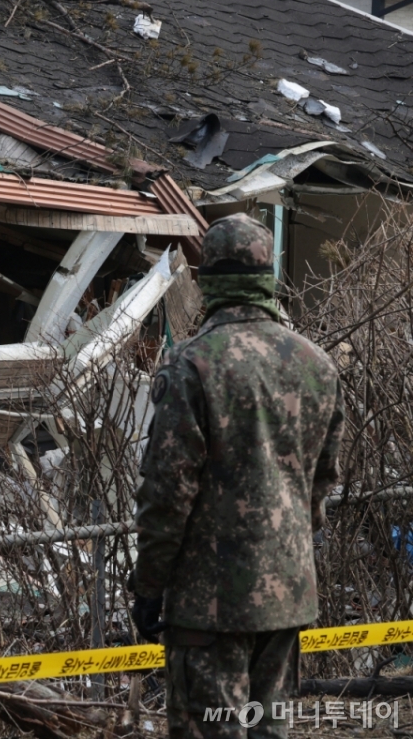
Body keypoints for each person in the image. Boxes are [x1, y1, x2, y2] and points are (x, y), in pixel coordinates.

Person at [130, 214, 344, 739]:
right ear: (268, 277)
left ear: (206, 279)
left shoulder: (191, 365)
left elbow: (167, 494)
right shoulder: (317, 364)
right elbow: (323, 482)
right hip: (287, 595)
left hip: (209, 607)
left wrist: (149, 586)